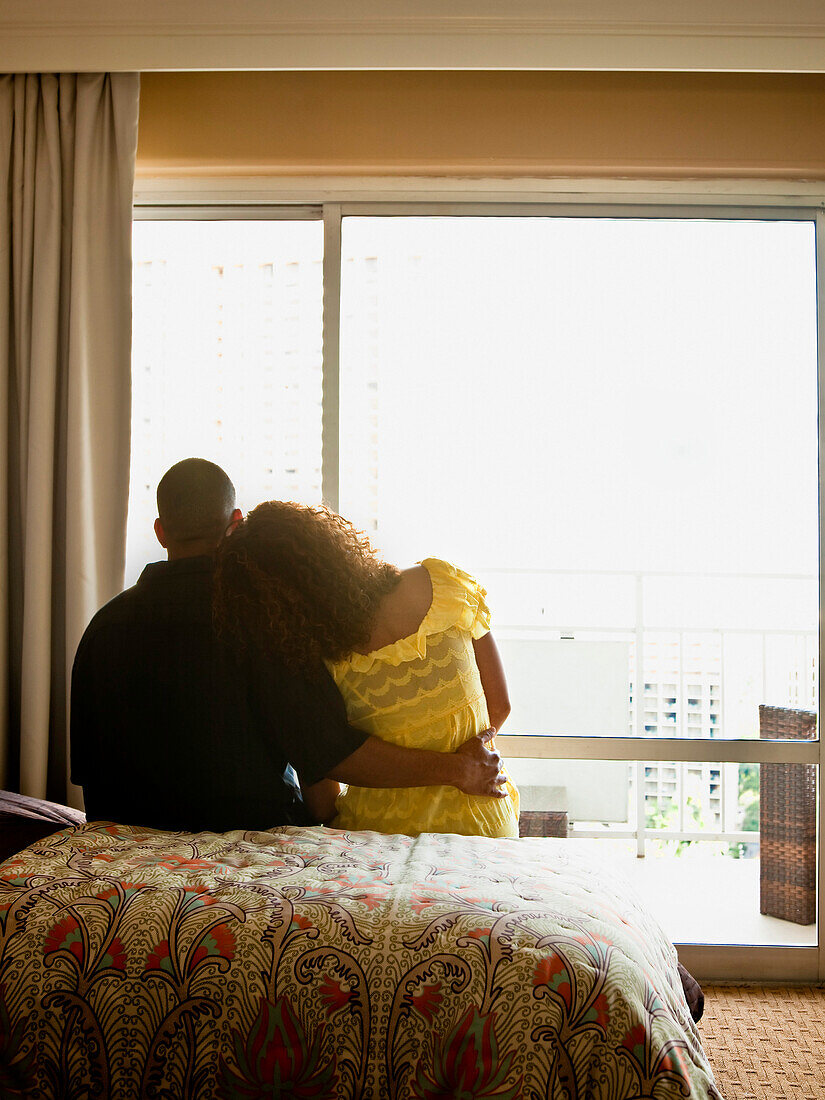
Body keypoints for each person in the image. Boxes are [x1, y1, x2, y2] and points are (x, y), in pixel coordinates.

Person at [70, 459, 506, 834]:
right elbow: (329, 755)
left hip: (123, 852)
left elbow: (91, 779)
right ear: (236, 522)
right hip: (251, 842)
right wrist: (457, 769)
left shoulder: (102, 628)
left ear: (161, 532)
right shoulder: (260, 623)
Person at [213, 501, 520, 838]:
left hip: (376, 841)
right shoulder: (445, 583)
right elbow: (500, 705)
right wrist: (470, 759)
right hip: (481, 819)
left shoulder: (312, 658)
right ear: (329, 545)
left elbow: (323, 803)